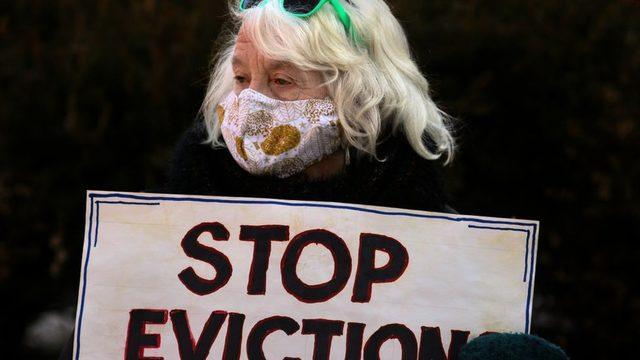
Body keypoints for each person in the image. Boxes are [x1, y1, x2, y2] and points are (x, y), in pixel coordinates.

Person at [60, 0, 568, 358]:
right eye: (241, 78)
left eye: (282, 81)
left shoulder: (448, 269)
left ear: (363, 95)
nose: (250, 102)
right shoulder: (153, 255)